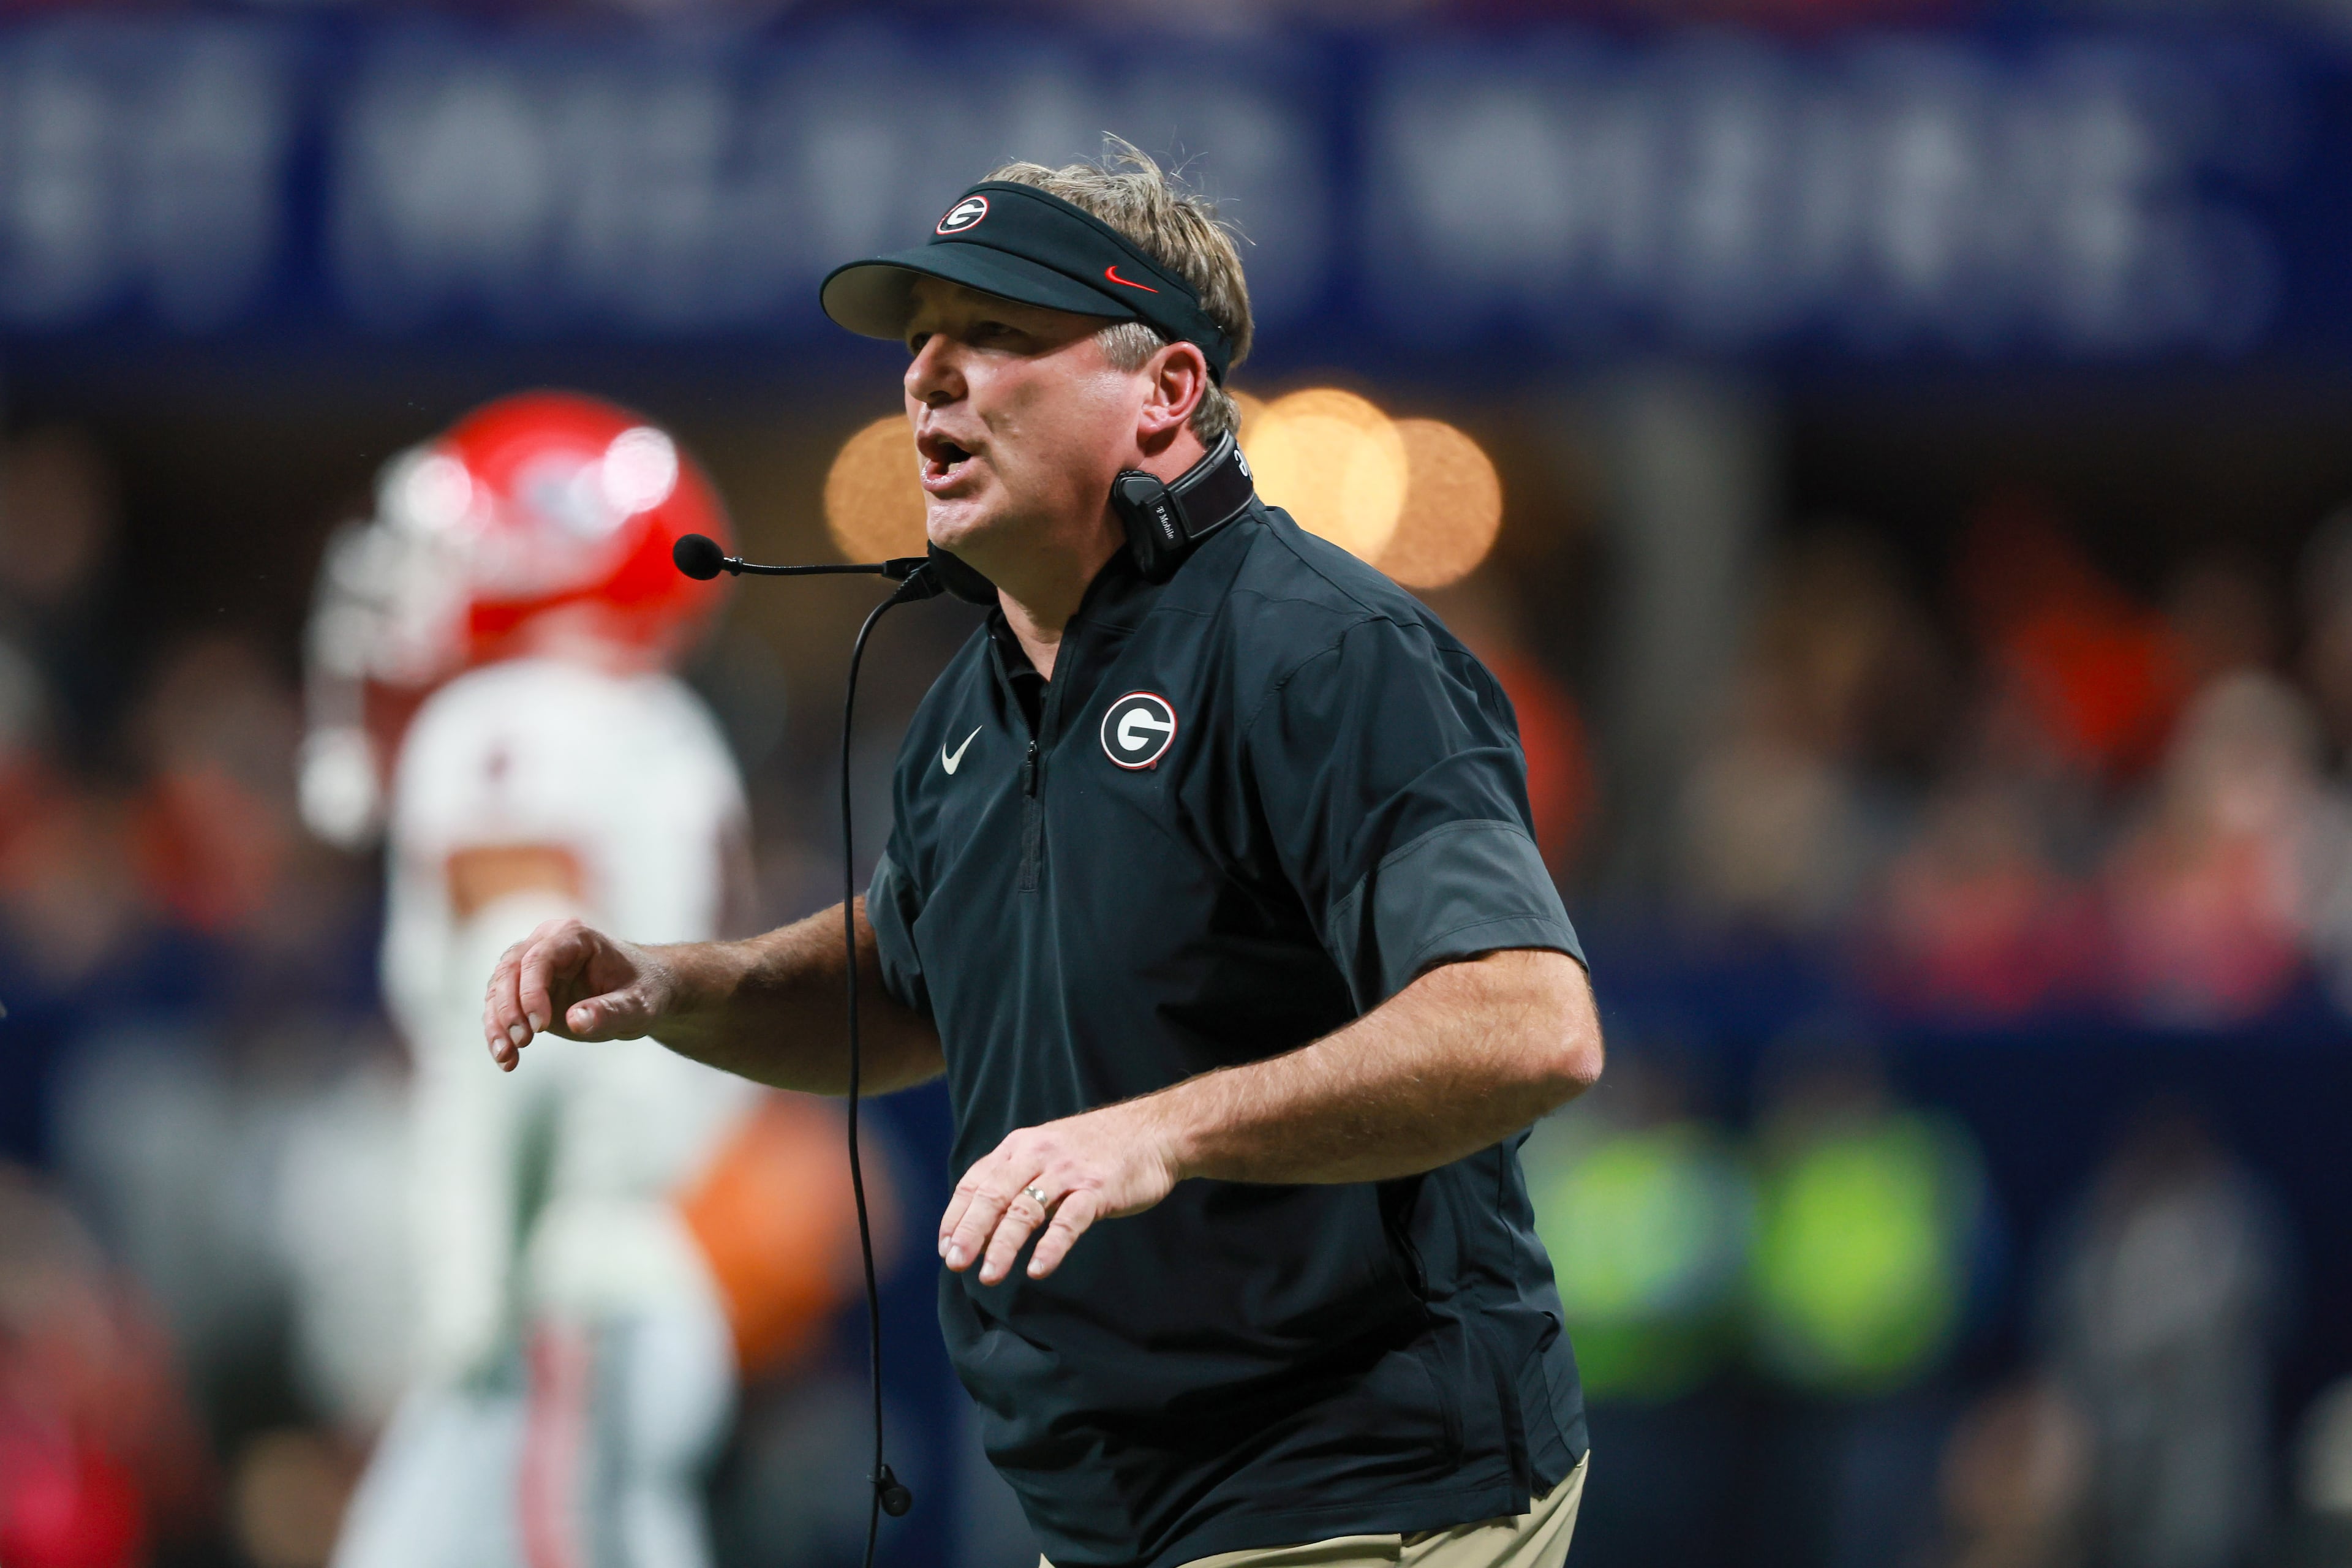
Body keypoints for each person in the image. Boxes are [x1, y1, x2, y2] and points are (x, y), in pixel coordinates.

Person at [485, 146, 1605, 1568]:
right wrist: (671, 982)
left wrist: (1163, 1125)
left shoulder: (1325, 651)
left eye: (998, 333)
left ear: (1167, 393)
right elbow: (909, 984)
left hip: (1361, 1482)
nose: (929, 377)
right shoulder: (973, 696)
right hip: (1111, 1507)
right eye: (920, 343)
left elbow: (1532, 1022)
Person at [308, 393, 867, 1568]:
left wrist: (467, 1294)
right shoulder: (643, 726)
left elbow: (525, 1030)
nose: (405, 593)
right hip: (603, 1278)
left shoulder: (517, 724)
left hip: (559, 1291)